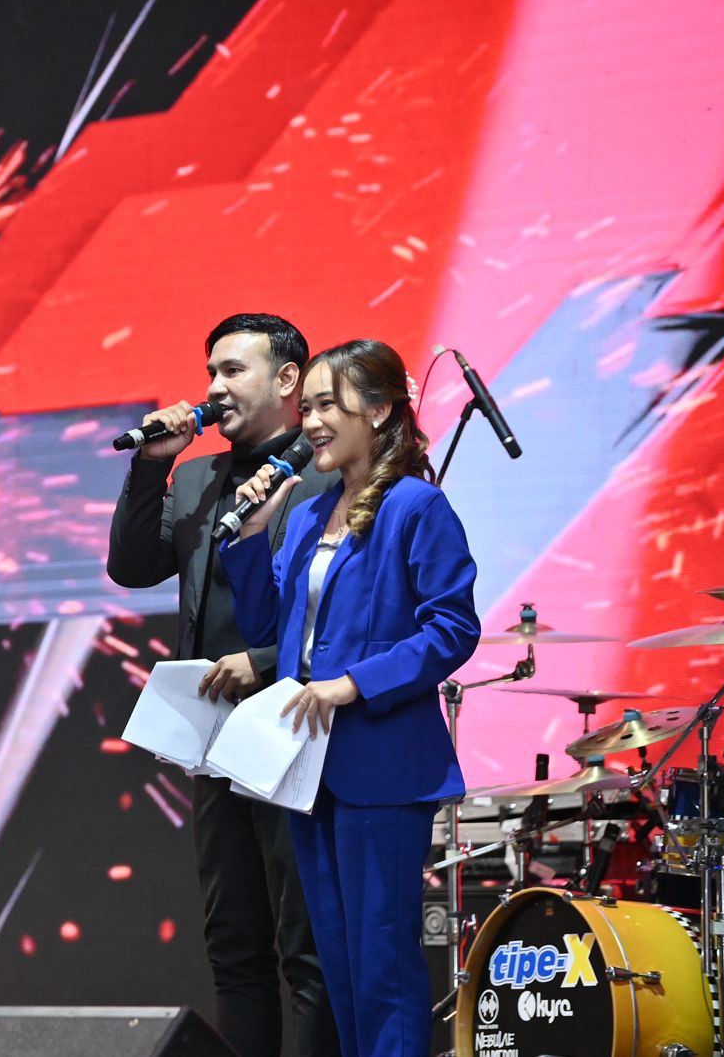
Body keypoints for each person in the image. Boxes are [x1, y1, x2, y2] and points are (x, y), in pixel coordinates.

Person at [221, 338, 481, 1057]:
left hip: (382, 763)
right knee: (337, 963)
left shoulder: (416, 506)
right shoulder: (308, 516)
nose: (309, 422)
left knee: (382, 960)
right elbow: (271, 628)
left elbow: (453, 627)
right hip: (309, 767)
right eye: (305, 408)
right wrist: (251, 533)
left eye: (327, 405)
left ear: (381, 409)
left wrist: (355, 682)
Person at [108, 313, 339, 1057]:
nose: (213, 387)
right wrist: (152, 467)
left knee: (306, 945)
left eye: (233, 370)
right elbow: (131, 567)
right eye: (210, 371)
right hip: (214, 736)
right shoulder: (197, 479)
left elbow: (343, 609)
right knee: (234, 943)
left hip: (296, 725)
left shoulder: (327, 474)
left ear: (287, 379)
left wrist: (265, 661)